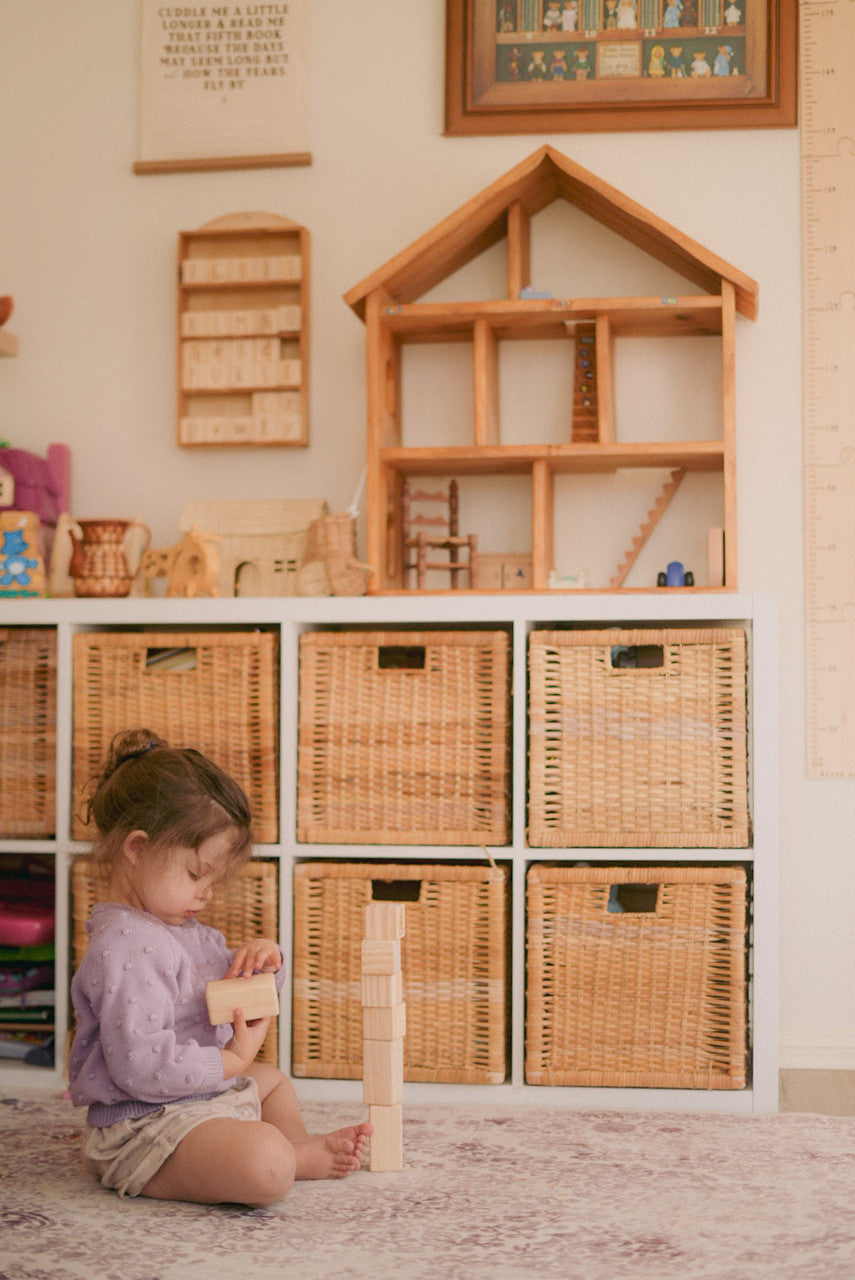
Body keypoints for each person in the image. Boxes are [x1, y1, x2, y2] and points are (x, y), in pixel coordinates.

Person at [68, 728, 371, 1206]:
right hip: (147, 1121)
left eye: (212, 879)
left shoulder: (179, 926)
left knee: (272, 1083)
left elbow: (226, 997)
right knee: (265, 1165)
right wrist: (230, 1061)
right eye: (195, 874)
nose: (206, 894)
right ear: (137, 848)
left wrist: (263, 964)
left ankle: (291, 1150)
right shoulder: (124, 945)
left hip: (202, 1098)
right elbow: (138, 1066)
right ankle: (286, 1158)